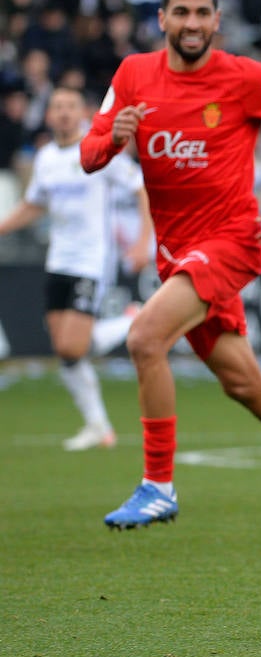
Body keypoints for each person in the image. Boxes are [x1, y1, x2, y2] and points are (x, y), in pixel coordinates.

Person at [80, 0, 261, 537]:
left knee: (143, 339)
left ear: (216, 21)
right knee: (243, 383)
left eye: (201, 13)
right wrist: (116, 138)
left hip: (232, 243)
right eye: (180, 12)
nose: (191, 23)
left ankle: (158, 487)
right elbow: (88, 155)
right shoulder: (134, 74)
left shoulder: (245, 78)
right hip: (176, 254)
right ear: (161, 19)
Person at [0, 85, 153, 450]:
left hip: (92, 260)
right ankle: (98, 426)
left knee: (72, 345)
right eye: (58, 107)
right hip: (59, 260)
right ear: (49, 115)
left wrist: (144, 240)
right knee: (65, 350)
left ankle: (133, 318)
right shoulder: (47, 157)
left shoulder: (99, 150)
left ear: (82, 113)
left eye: (71, 106)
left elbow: (140, 187)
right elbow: (35, 204)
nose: (65, 113)